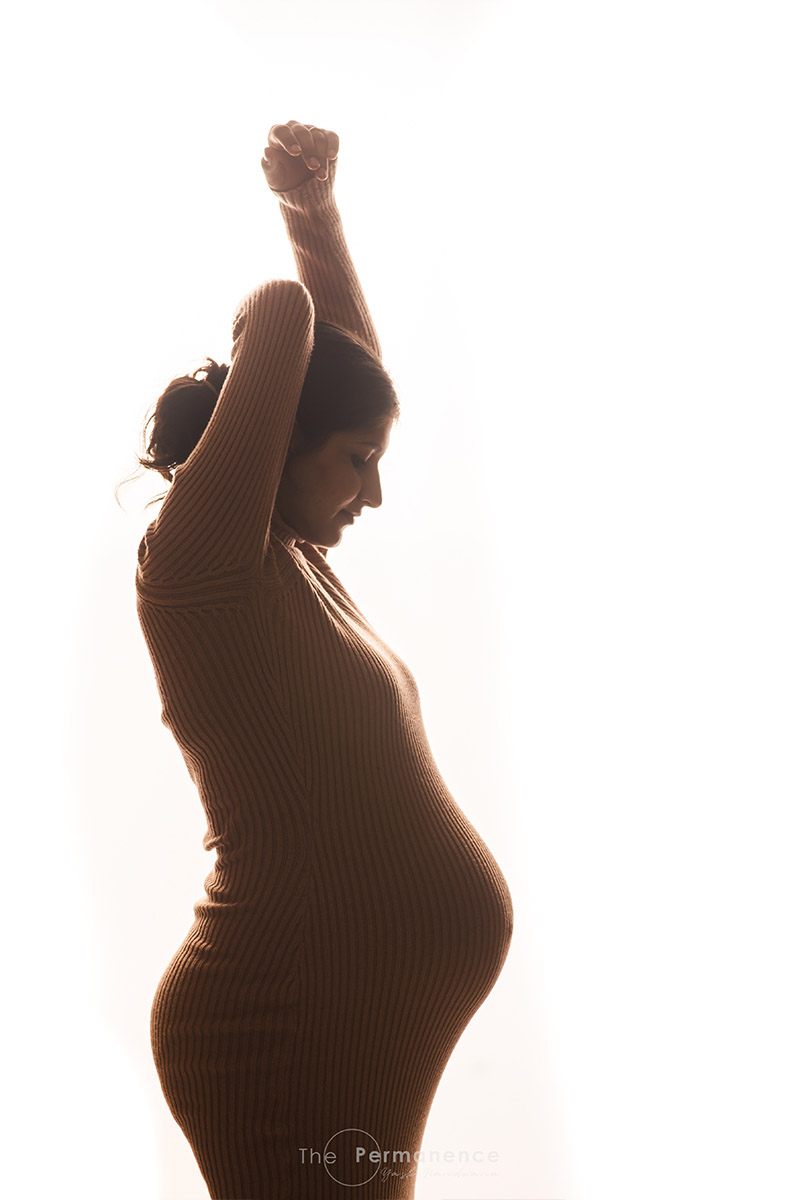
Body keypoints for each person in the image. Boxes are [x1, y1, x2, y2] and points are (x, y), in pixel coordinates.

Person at [134, 119, 514, 1199]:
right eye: (356, 460)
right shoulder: (201, 560)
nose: (372, 493)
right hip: (283, 1020)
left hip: (335, 1015)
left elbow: (342, 373)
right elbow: (286, 318)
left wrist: (313, 213)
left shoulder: (284, 559)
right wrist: (289, 259)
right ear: (278, 439)